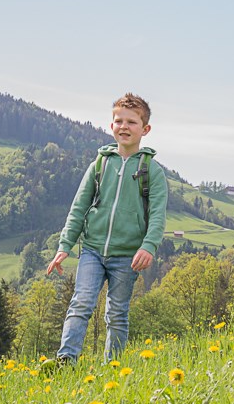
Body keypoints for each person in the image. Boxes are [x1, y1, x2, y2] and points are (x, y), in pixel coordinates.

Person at [47, 92, 168, 361]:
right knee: (81, 303)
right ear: (111, 125)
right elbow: (78, 207)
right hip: (92, 250)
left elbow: (158, 215)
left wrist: (148, 246)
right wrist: (65, 245)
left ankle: (113, 366)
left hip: (127, 256)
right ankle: (66, 360)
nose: (124, 126)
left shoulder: (152, 171)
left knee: (116, 314)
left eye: (132, 122)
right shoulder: (99, 164)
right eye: (119, 121)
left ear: (145, 129)